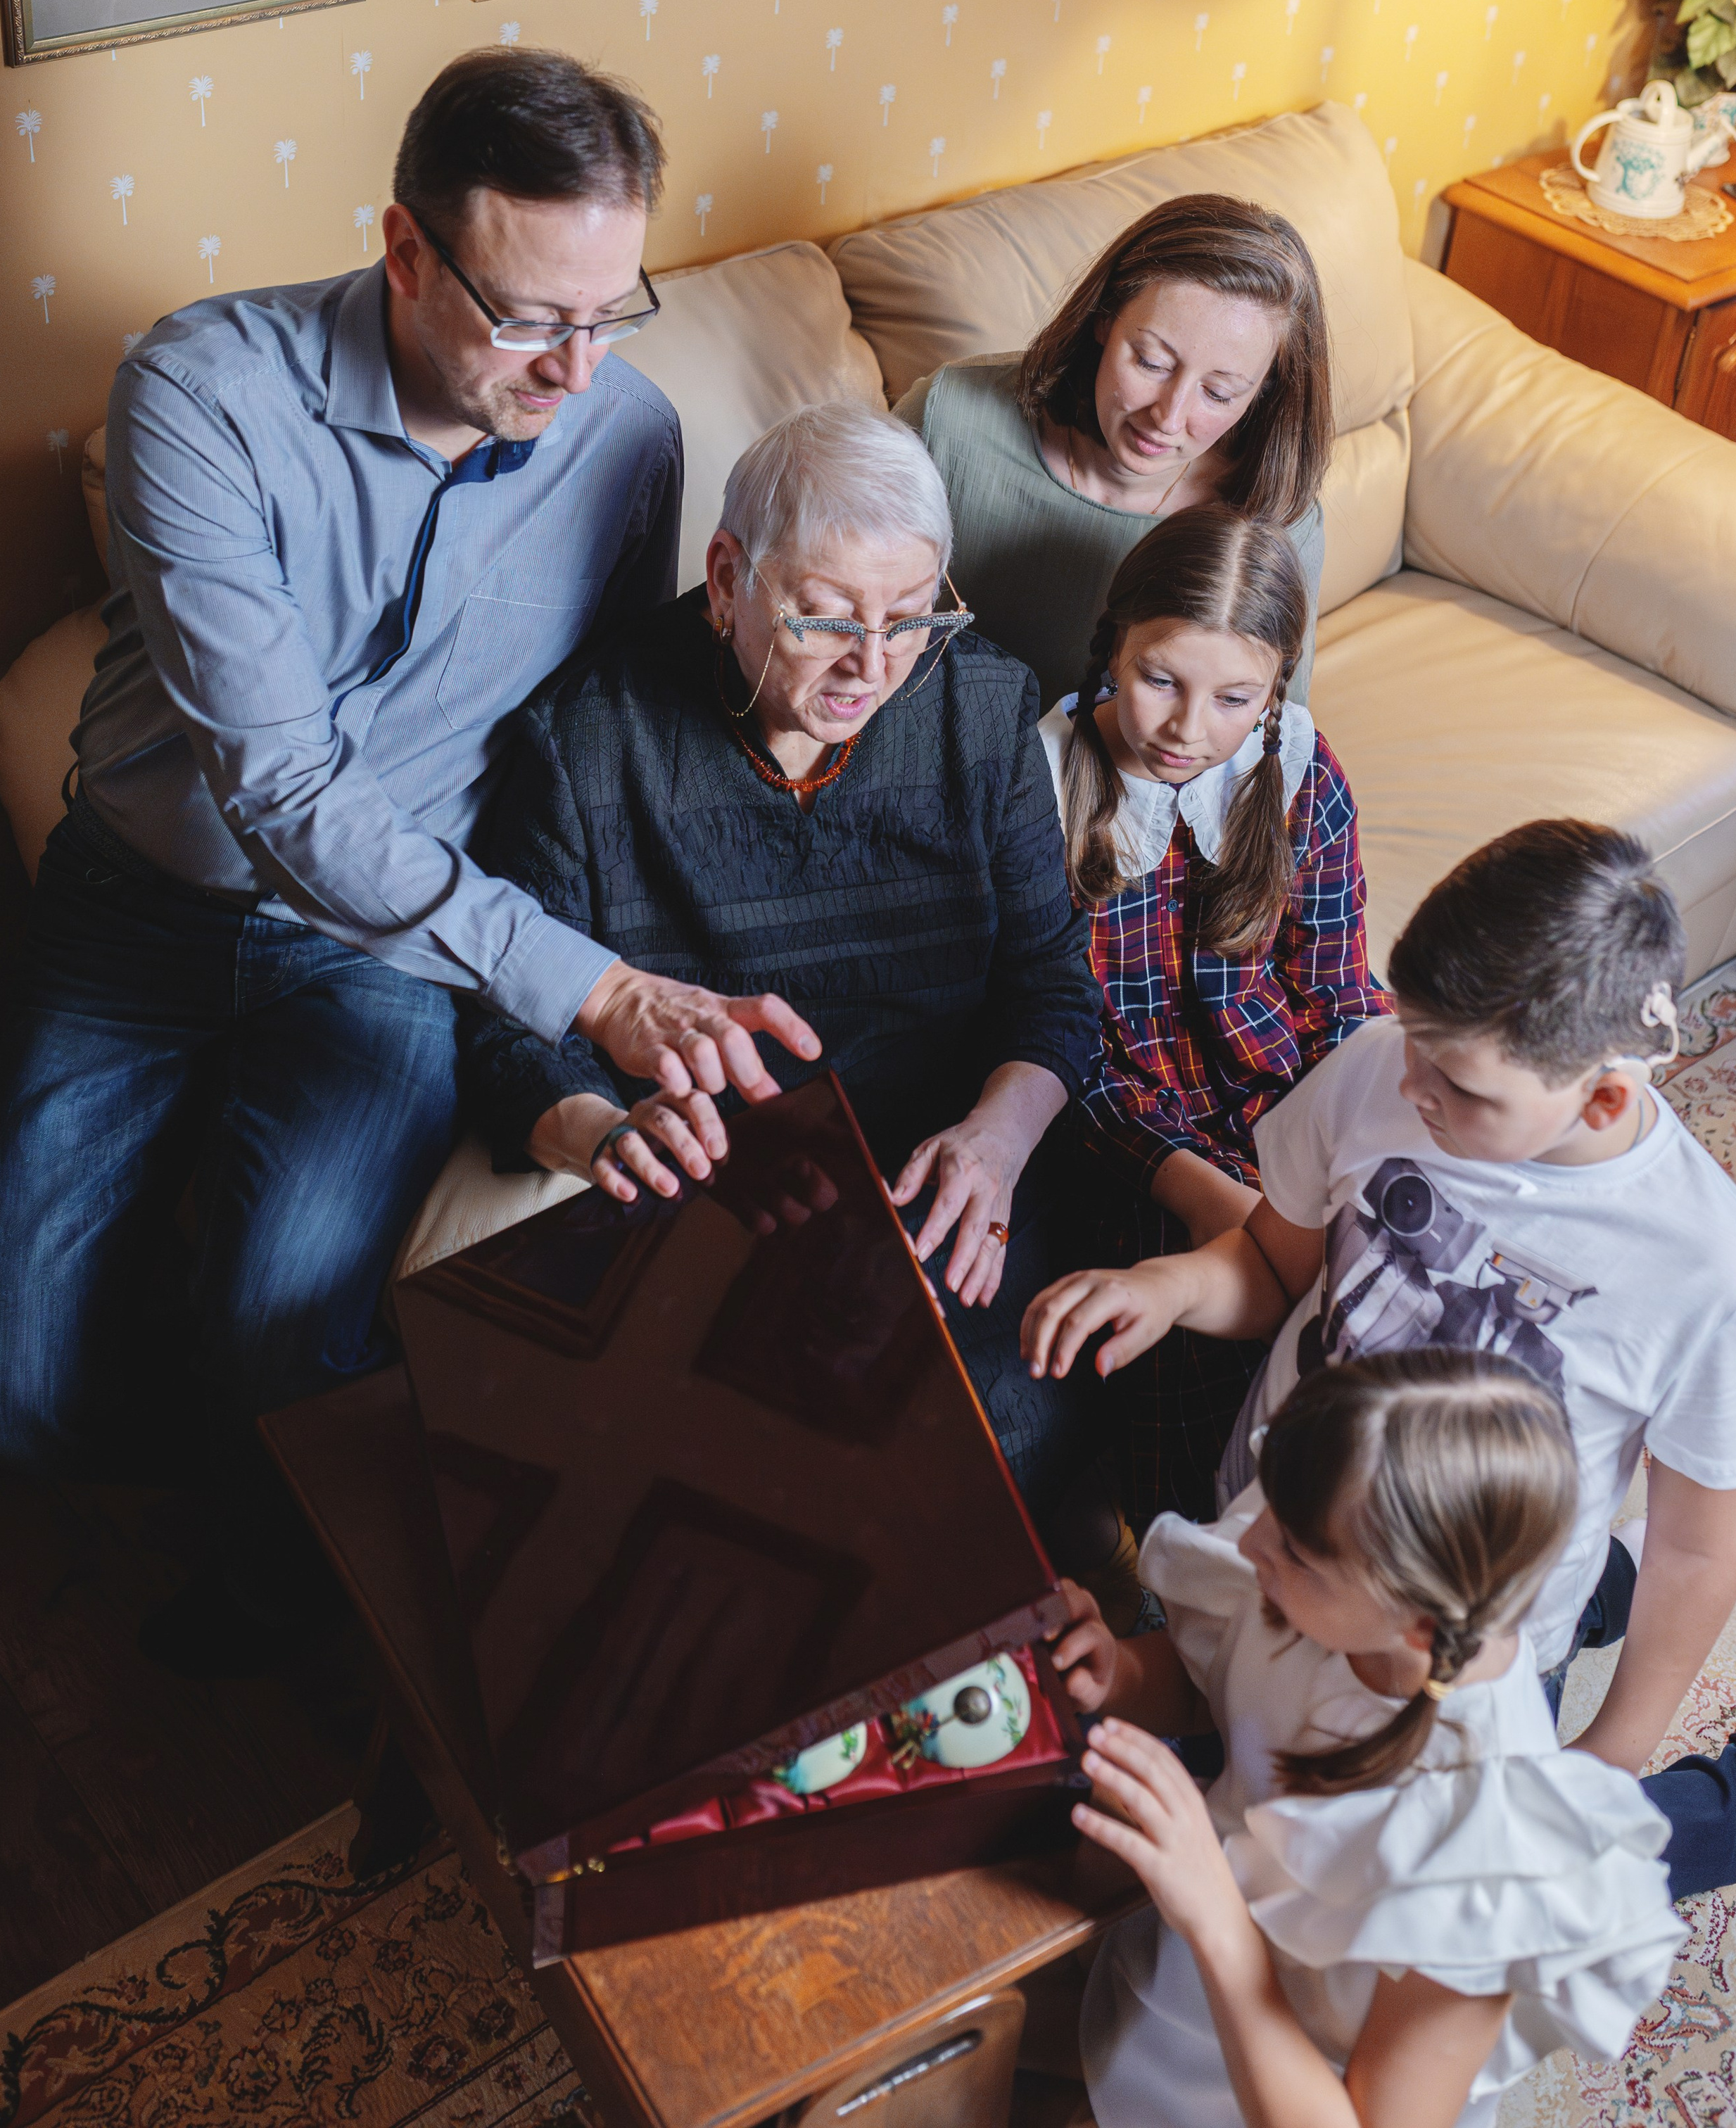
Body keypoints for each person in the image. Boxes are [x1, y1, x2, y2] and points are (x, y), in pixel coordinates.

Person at [0, 46, 819, 1669]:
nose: (574, 370)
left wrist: (602, 1008)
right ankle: (216, 1444)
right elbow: (280, 785)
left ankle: (290, 1585)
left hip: (383, 955)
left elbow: (588, 728)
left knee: (285, 1324)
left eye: (607, 309)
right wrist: (592, 986)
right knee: (7, 1400)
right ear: (404, 250)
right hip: (132, 912)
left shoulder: (623, 433)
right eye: (527, 317)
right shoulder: (201, 387)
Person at [1023, 819, 1736, 1898]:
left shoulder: (1708, 1269)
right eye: (1410, 1039)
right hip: (1272, 1540)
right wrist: (1170, 1286)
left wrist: (1608, 1756)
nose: (1411, 1087)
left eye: (1459, 1085)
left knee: (1406, 1885)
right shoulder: (1380, 1070)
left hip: (1460, 1634)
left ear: (1601, 1095)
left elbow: (1704, 1552)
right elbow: (1275, 1265)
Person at [461, 400, 1113, 1558]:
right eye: (826, 617)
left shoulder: (981, 710)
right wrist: (606, 1133)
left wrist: (997, 1143)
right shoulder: (588, 743)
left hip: (941, 1163)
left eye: (911, 618)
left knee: (1003, 1429)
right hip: (721, 1195)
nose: (874, 665)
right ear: (727, 578)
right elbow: (512, 1024)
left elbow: (1048, 980)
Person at [1053, 1351, 1682, 2128]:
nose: (1251, 1548)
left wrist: (1217, 1920)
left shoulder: (1484, 1850)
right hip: (1175, 1985)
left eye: (1293, 1551)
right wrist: (1118, 1674)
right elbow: (1214, 1688)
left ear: (1416, 1619)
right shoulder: (1312, 1557)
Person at [1041, 507, 1388, 1526]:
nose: (1190, 727)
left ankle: (1389, 1542)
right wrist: (1204, 1195)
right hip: (1130, 1140)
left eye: (1235, 696)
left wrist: (1354, 1157)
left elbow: (1337, 999)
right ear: (1114, 647)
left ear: (1276, 688)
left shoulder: (1299, 772)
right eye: (1162, 679)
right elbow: (1066, 1048)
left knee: (1413, 1268)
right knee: (1197, 1324)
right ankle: (1193, 1560)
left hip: (1296, 1103)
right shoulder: (1044, 787)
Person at [894, 195, 1333, 713]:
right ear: (1104, 318)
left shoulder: (1275, 513)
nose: (1168, 418)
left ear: (1265, 389)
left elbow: (1273, 731)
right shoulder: (950, 416)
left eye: (1219, 394)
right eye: (1150, 362)